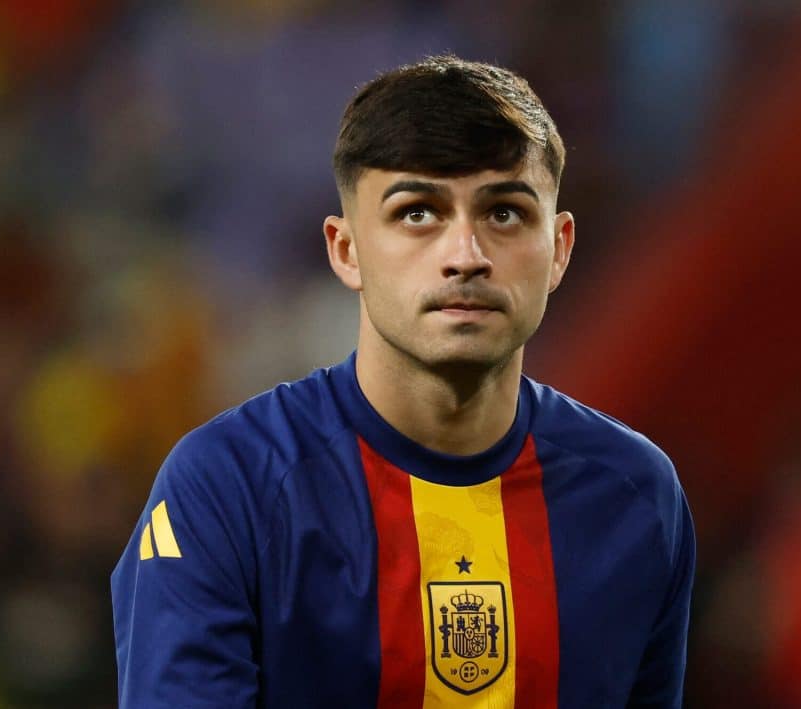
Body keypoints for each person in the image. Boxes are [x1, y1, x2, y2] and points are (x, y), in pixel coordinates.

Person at [111, 55, 695, 708]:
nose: (466, 256)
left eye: (504, 213)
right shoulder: (226, 486)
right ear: (345, 249)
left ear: (559, 247)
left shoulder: (637, 496)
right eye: (418, 212)